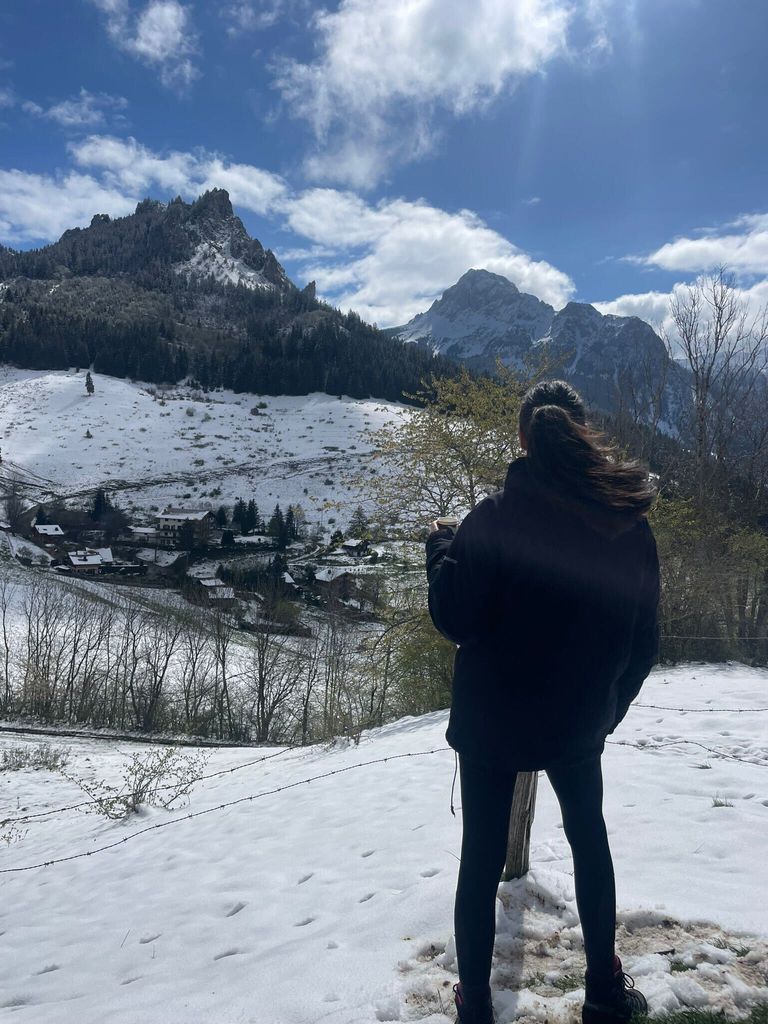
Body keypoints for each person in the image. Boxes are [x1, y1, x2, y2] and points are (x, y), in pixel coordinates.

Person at [425, 380, 661, 1024]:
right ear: (582, 433)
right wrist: (607, 710)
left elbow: (456, 618)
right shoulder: (626, 522)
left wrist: (438, 549)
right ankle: (605, 992)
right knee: (591, 841)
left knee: (480, 858)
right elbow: (645, 640)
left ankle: (475, 1005)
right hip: (578, 718)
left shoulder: (494, 517)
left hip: (493, 720)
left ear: (523, 438)